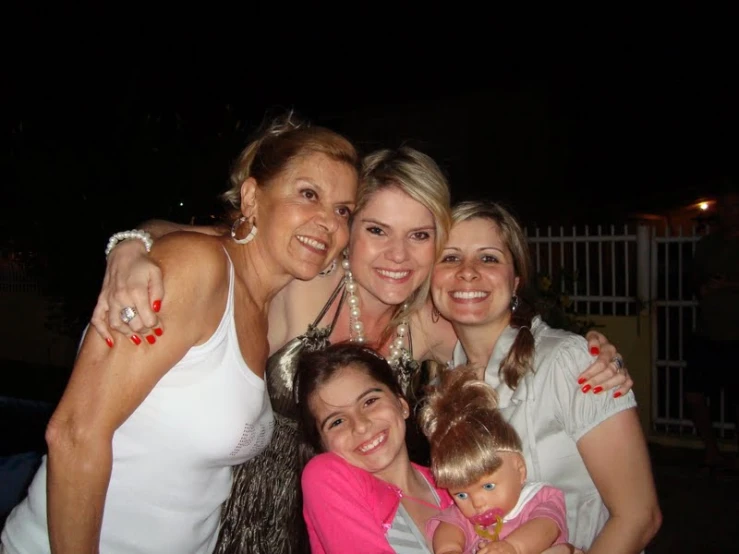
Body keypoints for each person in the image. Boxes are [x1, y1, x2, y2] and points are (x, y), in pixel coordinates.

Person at [82, 148, 631, 554]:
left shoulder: (429, 325)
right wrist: (131, 248)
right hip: (238, 511)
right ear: (347, 230)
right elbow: (198, 238)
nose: (397, 256)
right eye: (376, 229)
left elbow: (505, 325)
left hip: (359, 524)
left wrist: (591, 351)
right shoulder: (305, 279)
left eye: (419, 236)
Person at [0, 114, 360, 554]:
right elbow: (75, 432)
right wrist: (130, 243)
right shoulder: (197, 270)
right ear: (251, 197)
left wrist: (132, 238)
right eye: (309, 194)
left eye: (343, 210)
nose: (328, 221)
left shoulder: (257, 305)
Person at [431, 201, 662, 553]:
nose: (467, 271)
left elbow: (639, 516)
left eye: (489, 258)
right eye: (449, 257)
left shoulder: (567, 362)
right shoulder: (443, 385)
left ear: (517, 279)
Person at [296, 342, 454, 553]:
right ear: (323, 445)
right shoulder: (323, 475)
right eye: (337, 422)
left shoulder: (455, 486)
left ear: (402, 404)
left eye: (370, 401)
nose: (360, 425)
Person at [419, 368, 569, 554]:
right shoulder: (464, 516)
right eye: (462, 495)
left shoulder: (540, 498)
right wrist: (449, 549)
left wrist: (514, 547)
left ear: (519, 469)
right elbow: (449, 529)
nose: (477, 503)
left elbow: (547, 527)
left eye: (488, 486)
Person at [685, 188, 739, 470]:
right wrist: (702, 287)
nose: (729, 213)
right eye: (726, 207)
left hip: (735, 336)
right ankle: (712, 451)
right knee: (694, 395)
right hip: (707, 332)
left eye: (734, 206)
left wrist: (728, 285)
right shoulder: (708, 244)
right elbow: (692, 279)